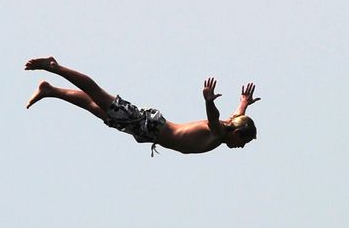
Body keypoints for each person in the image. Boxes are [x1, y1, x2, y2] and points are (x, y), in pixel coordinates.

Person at [24, 56, 259, 155]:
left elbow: (237, 117)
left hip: (147, 129)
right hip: (149, 126)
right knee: (98, 96)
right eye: (243, 141)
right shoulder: (219, 133)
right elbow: (213, 119)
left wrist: (243, 103)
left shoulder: (230, 126)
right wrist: (208, 102)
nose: (242, 146)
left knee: (96, 108)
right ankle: (55, 66)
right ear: (236, 133)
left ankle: (50, 90)